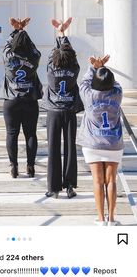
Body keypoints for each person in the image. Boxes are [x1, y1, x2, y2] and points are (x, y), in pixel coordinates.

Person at [78, 55, 124, 226]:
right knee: (111, 180)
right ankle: (111, 219)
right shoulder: (117, 95)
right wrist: (104, 69)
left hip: (92, 143)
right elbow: (116, 83)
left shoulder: (88, 95)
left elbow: (84, 82)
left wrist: (95, 68)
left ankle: (100, 218)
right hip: (112, 143)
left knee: (97, 181)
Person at [44, 17, 83, 199]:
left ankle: (53, 187)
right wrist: (64, 34)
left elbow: (55, 54)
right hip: (68, 110)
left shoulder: (51, 70)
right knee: (70, 148)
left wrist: (59, 35)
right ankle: (69, 186)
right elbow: (71, 56)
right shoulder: (74, 70)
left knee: (53, 148)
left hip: (54, 110)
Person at [1, 17, 43, 178]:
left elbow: (6, 45)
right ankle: (30, 166)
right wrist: (23, 31)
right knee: (30, 134)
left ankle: (14, 166)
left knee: (11, 133)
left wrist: (15, 30)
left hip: (11, 100)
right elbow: (34, 49)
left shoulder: (8, 57)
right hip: (29, 99)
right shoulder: (34, 57)